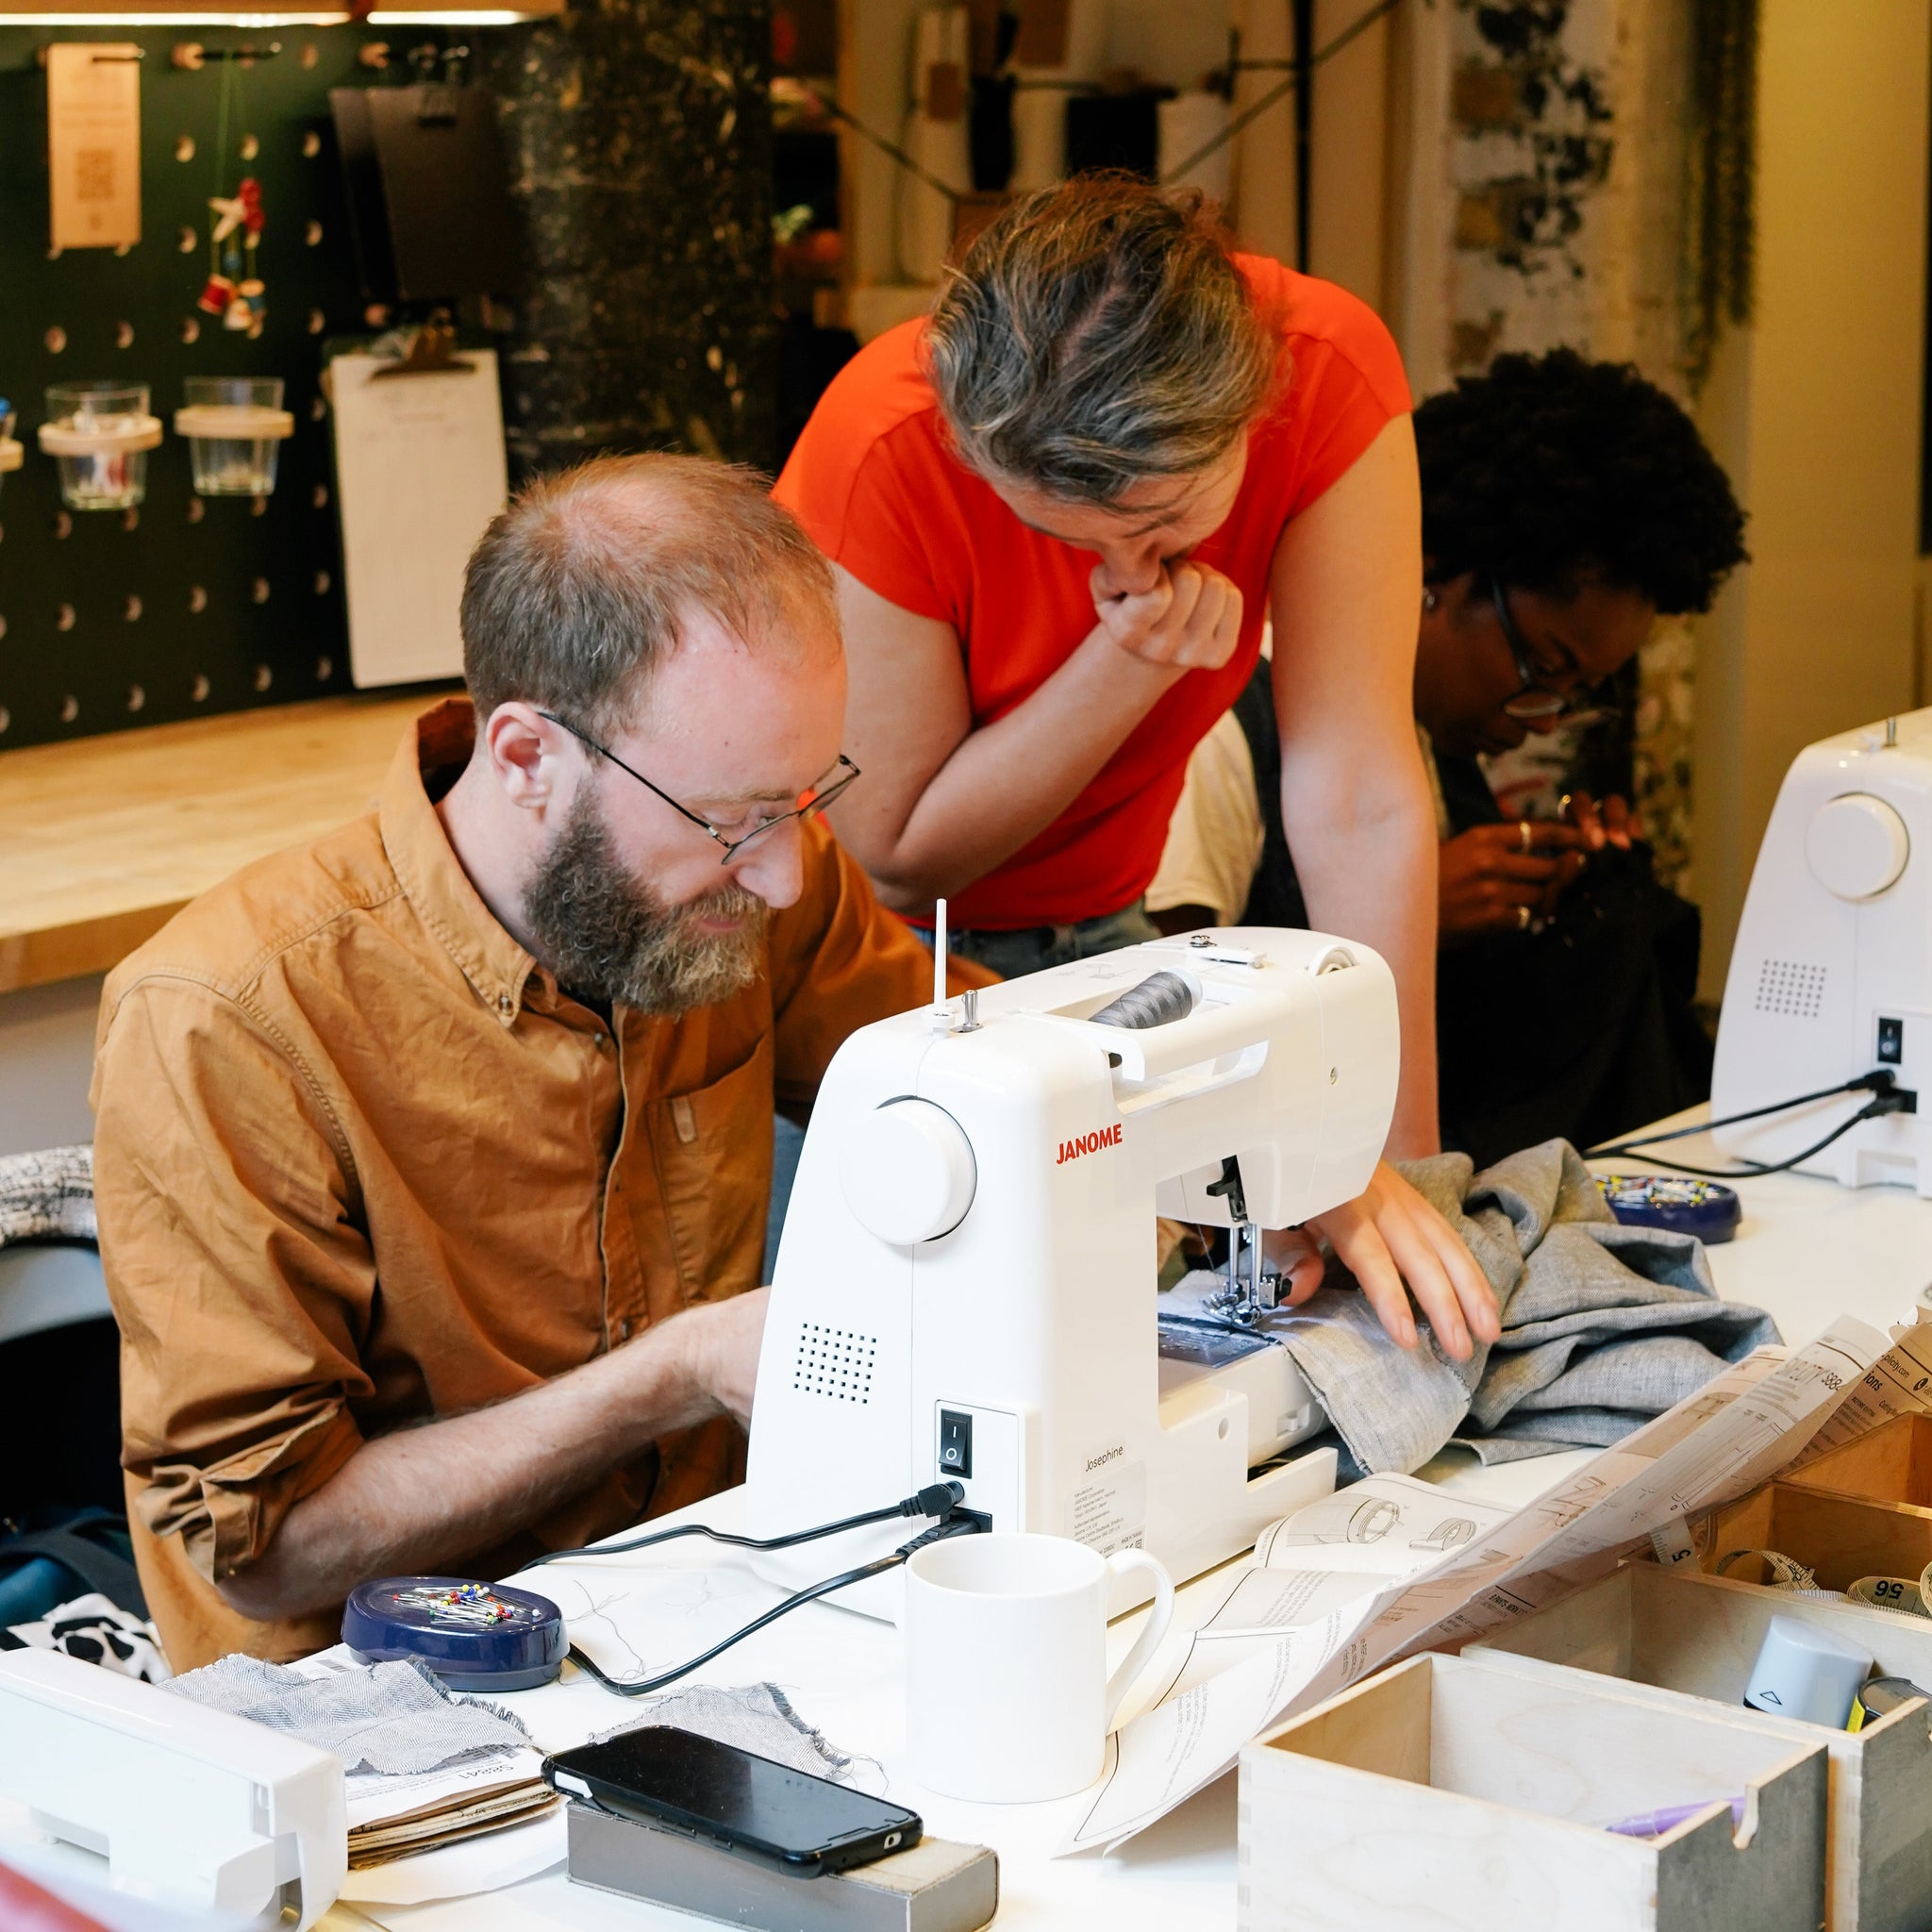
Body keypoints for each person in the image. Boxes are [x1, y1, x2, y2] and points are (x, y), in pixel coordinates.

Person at [89, 457, 984, 1670]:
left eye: (806, 795)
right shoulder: (229, 1019)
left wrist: (1235, 1139)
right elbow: (271, 1547)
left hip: (706, 1618)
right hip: (383, 1727)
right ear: (524, 758)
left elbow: (988, 1082)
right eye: (734, 820)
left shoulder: (754, 883)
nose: (780, 872)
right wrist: (674, 1372)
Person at [774, 177, 1444, 1168]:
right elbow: (899, 855)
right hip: (866, 958)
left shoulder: (1325, 370)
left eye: (1159, 524)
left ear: (1254, 414)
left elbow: (1357, 800)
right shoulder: (882, 437)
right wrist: (1127, 661)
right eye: (1054, 533)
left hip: (1109, 935)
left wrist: (1394, 1156)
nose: (1124, 576)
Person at [1149, 349, 1749, 1166]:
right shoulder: (1223, 725)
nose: (1546, 723)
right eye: (1543, 670)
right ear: (1436, 571)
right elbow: (1152, 1022)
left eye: (1581, 694)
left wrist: (1561, 910)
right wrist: (1402, 916)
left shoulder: (1428, 740)